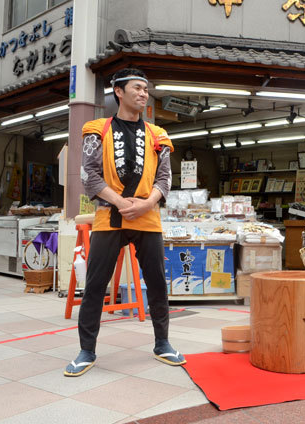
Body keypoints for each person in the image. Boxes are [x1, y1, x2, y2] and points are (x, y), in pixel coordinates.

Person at [65, 68, 184, 377]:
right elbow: (89, 173)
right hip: (109, 215)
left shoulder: (159, 134)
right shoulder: (97, 129)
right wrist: (118, 201)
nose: (144, 93)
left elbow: (165, 178)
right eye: (137, 88)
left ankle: (163, 343)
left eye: (146, 89)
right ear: (118, 91)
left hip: (148, 216)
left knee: (157, 283)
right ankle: (86, 350)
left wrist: (146, 203)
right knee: (94, 286)